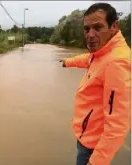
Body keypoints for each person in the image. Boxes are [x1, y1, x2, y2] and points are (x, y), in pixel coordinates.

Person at [60, 3, 131, 165]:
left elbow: (118, 125)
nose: (90, 35)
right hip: (86, 137)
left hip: (93, 148)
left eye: (98, 27)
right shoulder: (103, 52)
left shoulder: (117, 62)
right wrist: (68, 62)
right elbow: (88, 59)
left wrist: (96, 162)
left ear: (114, 26)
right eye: (87, 29)